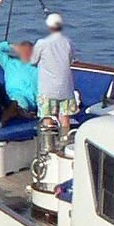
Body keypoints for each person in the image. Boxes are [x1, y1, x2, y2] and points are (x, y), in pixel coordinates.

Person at [31, 12, 76, 146]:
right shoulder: (68, 42)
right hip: (65, 87)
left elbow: (33, 61)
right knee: (65, 118)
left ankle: (48, 147)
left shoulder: (41, 43)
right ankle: (65, 143)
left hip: (47, 89)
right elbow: (71, 60)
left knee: (47, 118)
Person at [0, 40, 41, 113]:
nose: (26, 54)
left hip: (32, 100)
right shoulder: (9, 63)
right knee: (17, 101)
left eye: (29, 52)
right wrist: (13, 47)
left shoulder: (38, 67)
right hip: (13, 96)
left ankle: (16, 112)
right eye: (24, 51)